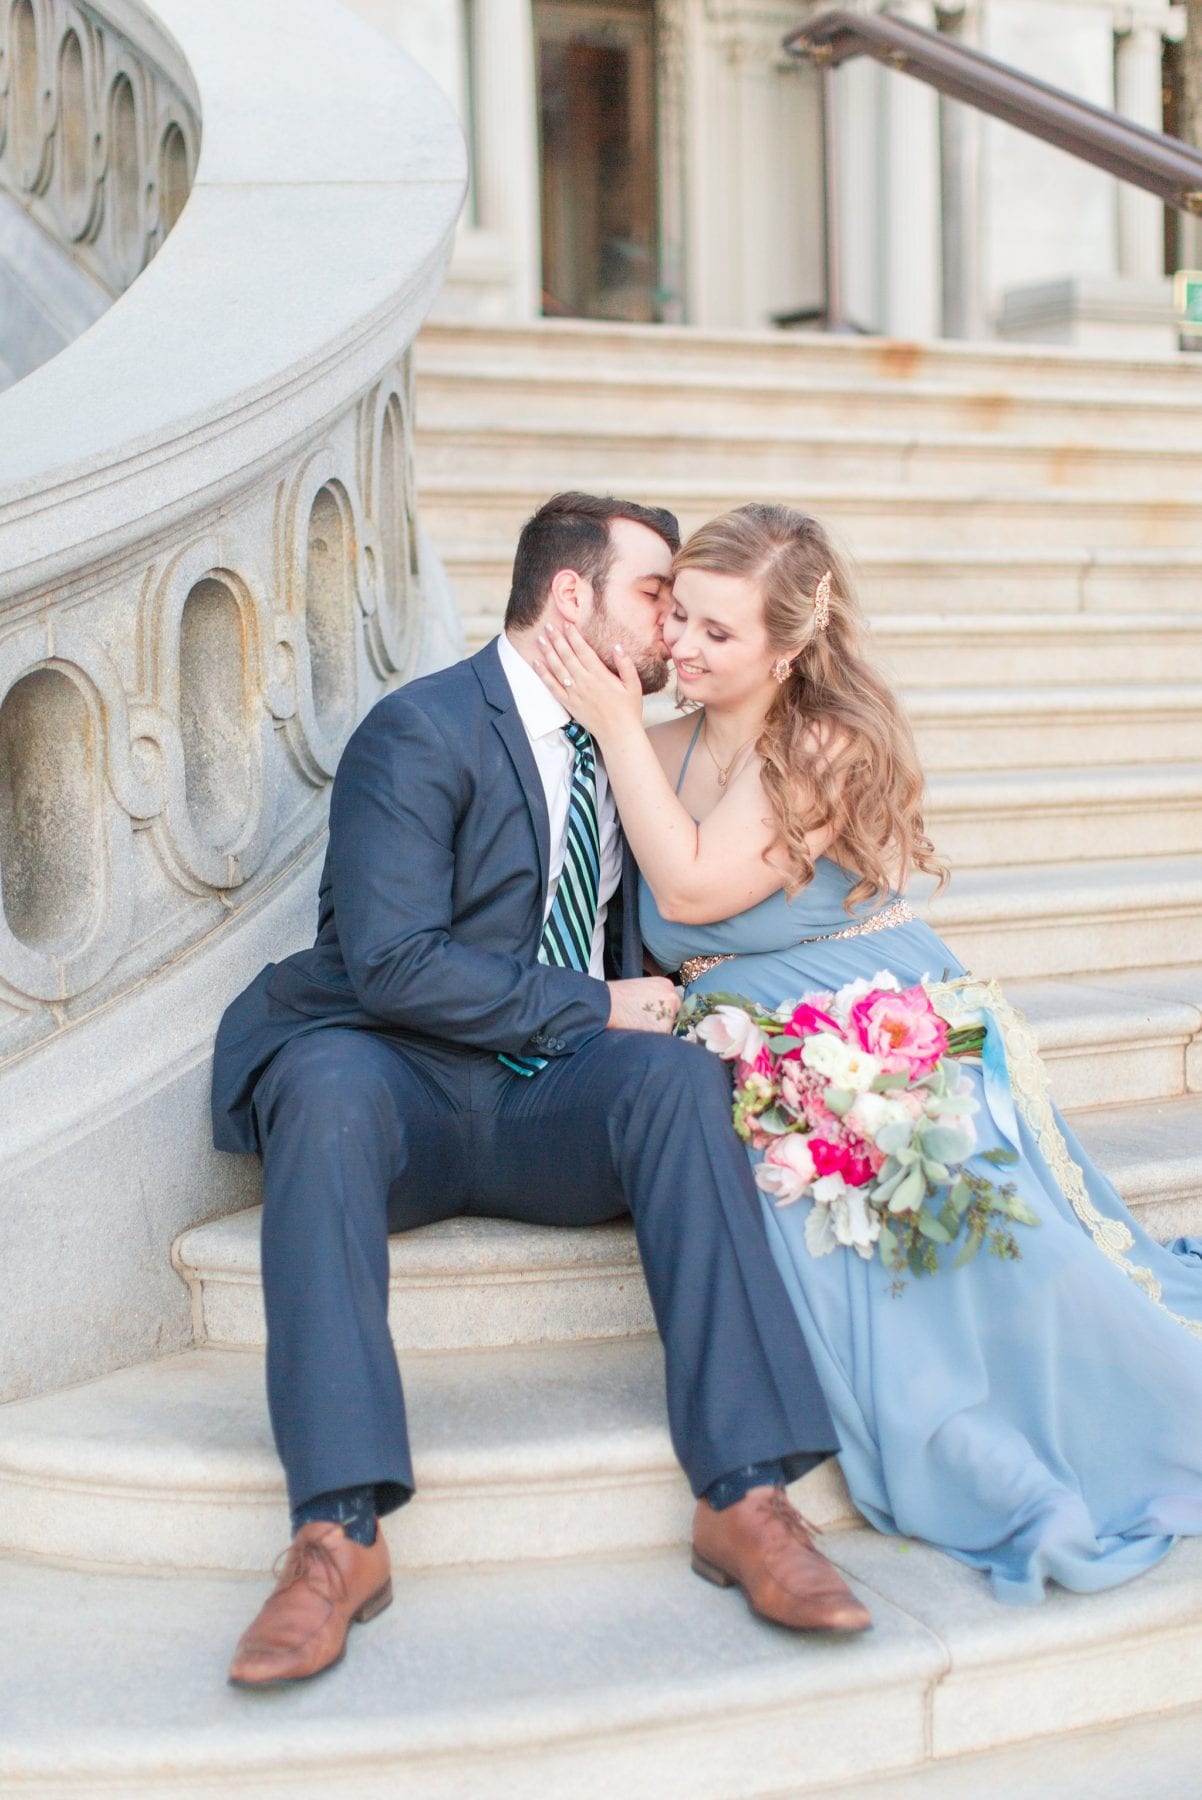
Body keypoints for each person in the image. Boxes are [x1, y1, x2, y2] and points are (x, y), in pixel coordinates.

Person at [210, 492, 871, 1690]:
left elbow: (696, 884)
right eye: (653, 596)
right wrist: (595, 1005)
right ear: (572, 598)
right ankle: (334, 1535)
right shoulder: (419, 731)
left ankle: (746, 1497)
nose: (672, 629)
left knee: (677, 1086)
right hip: (395, 1074)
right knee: (319, 1089)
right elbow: (392, 961)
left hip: (546, 1102)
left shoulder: (629, 742)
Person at [532, 500, 1202, 1606]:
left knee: (998, 1260)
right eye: (679, 620)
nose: (682, 651)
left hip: (874, 1026)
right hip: (750, 1044)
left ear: (788, 649)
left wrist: (610, 726)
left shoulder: (820, 744)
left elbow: (695, 885)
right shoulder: (661, 741)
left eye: (717, 634)